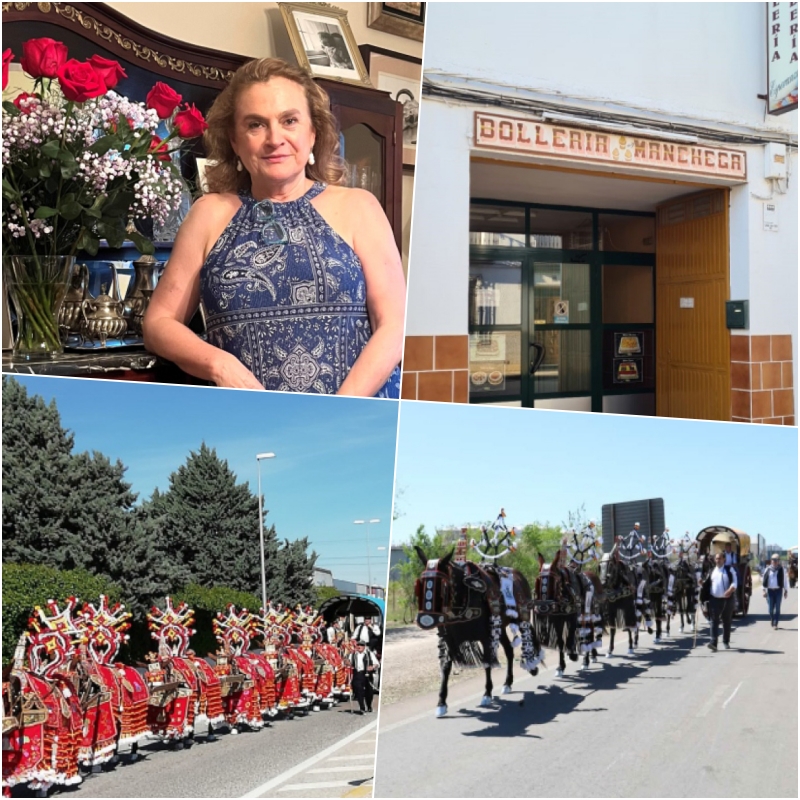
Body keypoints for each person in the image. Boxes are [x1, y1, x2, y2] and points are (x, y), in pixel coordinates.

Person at [144, 58, 404, 397]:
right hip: (251, 428)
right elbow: (158, 323)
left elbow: (395, 326)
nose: (274, 138)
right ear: (235, 142)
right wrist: (219, 364)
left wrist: (340, 409)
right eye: (255, 125)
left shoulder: (360, 207)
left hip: (356, 422)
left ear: (313, 133)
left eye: (290, 120)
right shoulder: (208, 214)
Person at [701, 552, 737, 651]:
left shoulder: (729, 569)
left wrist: (730, 590)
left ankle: (725, 641)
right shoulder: (712, 571)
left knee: (726, 621)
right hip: (714, 599)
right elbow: (707, 583)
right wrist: (702, 584)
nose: (718, 560)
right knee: (714, 621)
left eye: (720, 558)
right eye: (716, 559)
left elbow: (735, 581)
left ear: (724, 559)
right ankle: (713, 643)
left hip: (727, 600)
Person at [349, 640, 376, 714]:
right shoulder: (353, 654)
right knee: (359, 690)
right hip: (358, 674)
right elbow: (349, 663)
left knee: (369, 692)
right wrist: (347, 662)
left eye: (361, 645)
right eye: (358, 645)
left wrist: (372, 667)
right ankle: (362, 707)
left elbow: (376, 663)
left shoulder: (369, 654)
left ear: (364, 646)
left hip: (367, 674)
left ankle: (369, 706)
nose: (359, 646)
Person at [762, 553, 788, 628]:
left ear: (778, 561)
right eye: (773, 560)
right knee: (770, 609)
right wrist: (763, 590)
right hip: (770, 591)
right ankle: (772, 618)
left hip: (778, 591)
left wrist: (786, 591)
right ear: (771, 561)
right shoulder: (768, 569)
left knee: (777, 608)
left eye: (776, 560)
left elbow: (785, 581)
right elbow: (764, 580)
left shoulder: (781, 569)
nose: (774, 561)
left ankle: (775, 623)